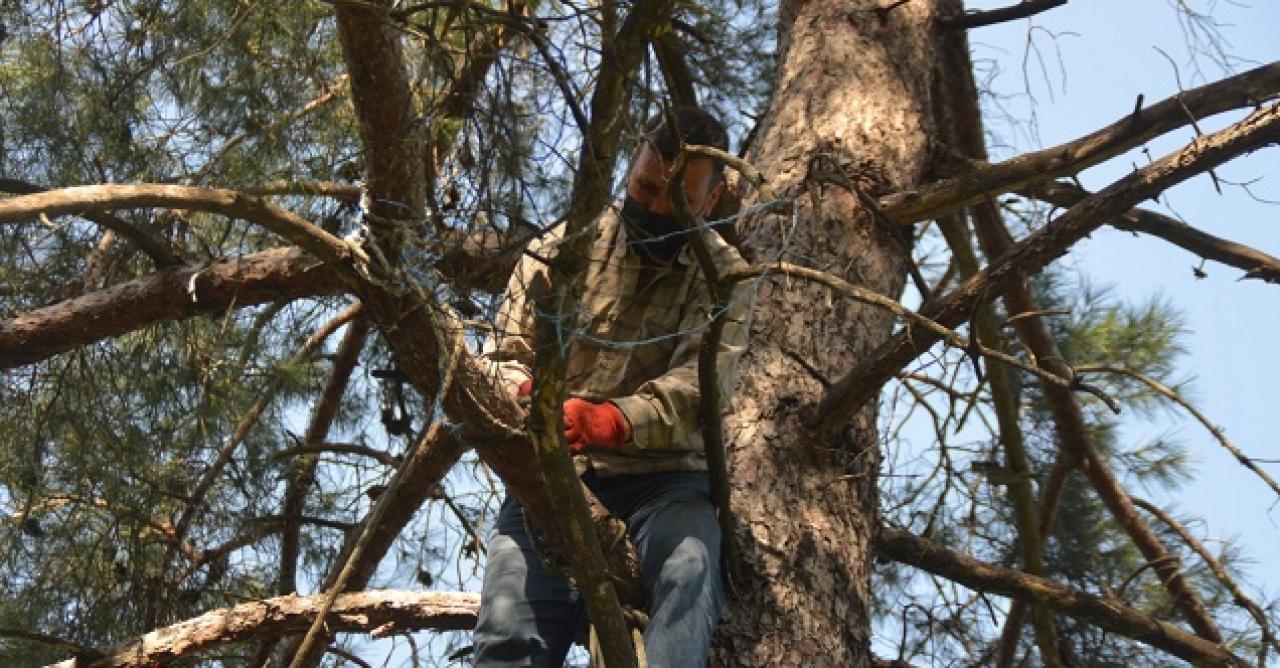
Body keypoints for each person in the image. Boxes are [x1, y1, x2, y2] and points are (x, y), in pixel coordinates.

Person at [472, 107, 753, 667]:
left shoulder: (725, 278)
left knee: (688, 570)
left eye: (677, 199)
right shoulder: (563, 247)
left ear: (711, 201)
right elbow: (501, 355)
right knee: (508, 639)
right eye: (647, 187)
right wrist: (529, 400)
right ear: (633, 164)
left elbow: (701, 387)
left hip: (665, 487)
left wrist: (612, 420)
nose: (654, 206)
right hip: (550, 483)